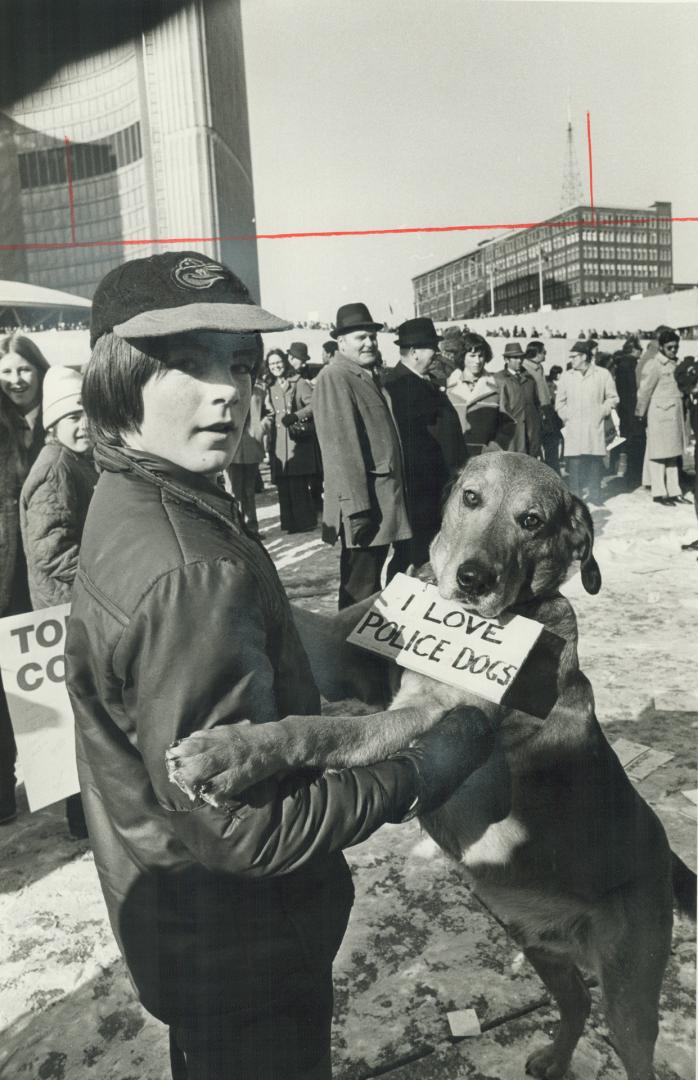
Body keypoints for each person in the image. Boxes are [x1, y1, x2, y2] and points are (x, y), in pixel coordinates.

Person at [64, 251, 495, 1080]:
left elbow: (248, 642)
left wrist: (387, 626)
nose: (224, 389)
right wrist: (418, 774)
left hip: (188, 929)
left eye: (237, 365)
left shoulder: (145, 493)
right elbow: (250, 831)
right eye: (185, 364)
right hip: (248, 949)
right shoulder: (187, 563)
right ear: (116, 378)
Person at [19, 364, 96, 839]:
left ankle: (88, 813)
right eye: (73, 417)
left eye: (87, 414)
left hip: (72, 606)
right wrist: (98, 574)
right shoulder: (55, 467)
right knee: (76, 715)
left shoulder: (73, 459)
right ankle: (81, 816)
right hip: (63, 609)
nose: (83, 424)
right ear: (53, 424)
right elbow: (49, 549)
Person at [313, 303, 412, 609]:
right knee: (360, 589)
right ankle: (347, 653)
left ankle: (366, 649)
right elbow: (340, 448)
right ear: (341, 343)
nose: (369, 343)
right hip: (367, 506)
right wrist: (357, 511)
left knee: (372, 586)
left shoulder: (365, 375)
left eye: (372, 336)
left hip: (384, 500)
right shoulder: (335, 375)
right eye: (360, 337)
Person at [0, 332, 49, 825]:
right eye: (7, 371)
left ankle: (48, 779)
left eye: (23, 370)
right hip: (5, 575)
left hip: (43, 573)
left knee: (41, 677)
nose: (15, 380)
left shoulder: (57, 421)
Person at [383, 318, 466, 567]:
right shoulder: (399, 385)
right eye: (432, 347)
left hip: (435, 487)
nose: (436, 353)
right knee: (414, 556)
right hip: (421, 492)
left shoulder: (420, 380)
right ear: (414, 352)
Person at [555, 340, 619, 507]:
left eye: (574, 356)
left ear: (584, 357)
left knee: (594, 462)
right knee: (574, 464)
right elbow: (559, 403)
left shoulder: (602, 374)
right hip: (574, 427)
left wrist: (602, 410)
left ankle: (596, 496)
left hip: (594, 426)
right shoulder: (567, 376)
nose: (572, 359)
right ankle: (575, 499)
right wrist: (567, 416)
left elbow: (613, 398)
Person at [264, 348, 320, 533]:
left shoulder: (299, 382)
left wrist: (296, 416)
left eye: (278, 362)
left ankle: (305, 522)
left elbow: (314, 405)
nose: (275, 366)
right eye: (271, 364)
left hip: (296, 440)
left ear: (285, 362)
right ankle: (289, 523)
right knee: (284, 484)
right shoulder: (269, 386)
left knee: (298, 483)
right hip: (279, 443)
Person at [635, 329, 689, 506]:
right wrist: (640, 413)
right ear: (661, 347)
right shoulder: (654, 365)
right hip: (659, 415)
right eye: (670, 347)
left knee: (673, 455)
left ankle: (674, 490)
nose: (674, 350)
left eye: (676, 347)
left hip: (674, 415)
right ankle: (659, 492)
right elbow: (644, 391)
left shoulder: (675, 364)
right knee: (658, 454)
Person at [447, 332, 515, 456]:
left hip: (486, 460)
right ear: (462, 357)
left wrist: (494, 449)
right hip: (455, 458)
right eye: (472, 356)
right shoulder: (448, 388)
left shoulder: (498, 386)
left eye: (481, 356)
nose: (477, 361)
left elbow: (508, 423)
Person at [227, 371, 266, 537]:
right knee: (233, 491)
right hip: (232, 446)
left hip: (251, 446)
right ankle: (236, 529)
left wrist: (262, 428)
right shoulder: (228, 388)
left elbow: (268, 412)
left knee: (249, 490)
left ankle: (252, 528)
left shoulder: (260, 390)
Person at [613, 336, 645, 490]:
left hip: (625, 412)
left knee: (628, 445)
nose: (642, 352)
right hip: (633, 411)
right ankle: (634, 477)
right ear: (633, 350)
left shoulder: (620, 365)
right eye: (640, 349)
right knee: (637, 445)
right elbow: (634, 390)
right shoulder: (632, 365)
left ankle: (629, 476)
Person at [498, 343, 541, 456]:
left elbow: (536, 405)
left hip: (531, 434)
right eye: (515, 358)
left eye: (521, 357)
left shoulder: (530, 379)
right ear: (506, 359)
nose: (520, 361)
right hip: (511, 436)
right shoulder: (499, 379)